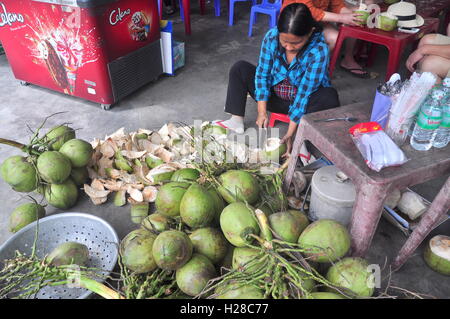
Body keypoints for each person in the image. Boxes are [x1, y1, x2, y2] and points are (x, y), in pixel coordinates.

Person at [214, 3, 340, 156]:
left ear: (310, 32)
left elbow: (304, 94)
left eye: (296, 43)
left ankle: (303, 140)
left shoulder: (319, 50)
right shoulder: (272, 37)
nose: (288, 47)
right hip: (275, 97)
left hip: (304, 104)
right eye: (284, 41)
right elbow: (262, 74)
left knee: (330, 95)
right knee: (240, 68)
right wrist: (261, 112)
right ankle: (236, 121)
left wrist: (291, 134)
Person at [280, 0, 374, 78]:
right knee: (294, 44)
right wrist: (341, 18)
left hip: (317, 23)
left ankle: (315, 69)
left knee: (335, 38)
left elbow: (337, 6)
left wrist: (354, 14)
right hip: (295, 24)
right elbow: (309, 10)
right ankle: (298, 68)